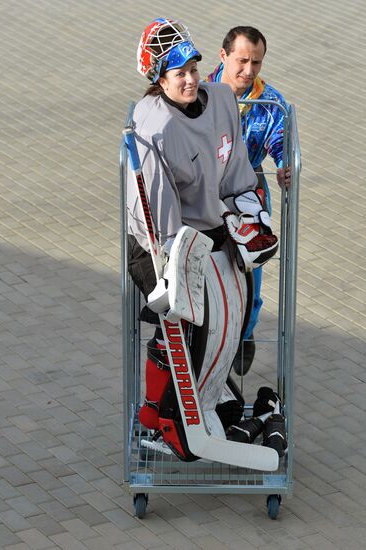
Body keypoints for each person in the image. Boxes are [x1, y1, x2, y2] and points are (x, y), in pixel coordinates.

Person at [127, 18, 279, 455]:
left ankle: (204, 404)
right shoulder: (152, 125)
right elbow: (159, 218)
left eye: (193, 68)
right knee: (191, 320)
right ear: (160, 80)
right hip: (160, 242)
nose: (192, 79)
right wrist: (175, 268)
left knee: (235, 307)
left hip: (208, 231)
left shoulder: (221, 100)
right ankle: (167, 417)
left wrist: (248, 214)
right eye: (180, 74)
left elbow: (234, 175)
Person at [207, 26, 291, 375]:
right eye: (242, 60)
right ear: (223, 56)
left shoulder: (269, 100)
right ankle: (209, 336)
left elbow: (282, 140)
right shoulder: (198, 91)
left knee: (250, 265)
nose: (249, 70)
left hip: (250, 183)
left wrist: (285, 165)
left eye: (256, 62)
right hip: (205, 183)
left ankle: (244, 330)